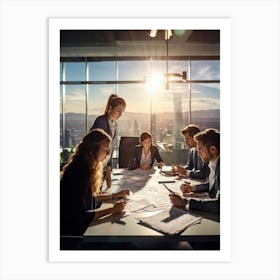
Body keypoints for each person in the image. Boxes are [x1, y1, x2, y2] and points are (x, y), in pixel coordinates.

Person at [60, 128, 130, 236]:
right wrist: (113, 210)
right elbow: (80, 216)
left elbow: (89, 197)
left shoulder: (84, 165)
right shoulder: (80, 172)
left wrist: (114, 195)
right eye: (105, 149)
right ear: (94, 148)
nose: (108, 153)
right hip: (73, 234)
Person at [169, 128, 220, 214]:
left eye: (200, 149)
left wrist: (185, 202)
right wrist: (193, 188)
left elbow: (219, 205)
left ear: (213, 149)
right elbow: (212, 185)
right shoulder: (214, 163)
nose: (198, 153)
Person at [89, 94, 126, 189]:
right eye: (118, 111)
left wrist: (108, 171)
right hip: (94, 165)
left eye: (122, 112)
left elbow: (111, 148)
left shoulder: (114, 123)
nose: (120, 114)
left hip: (103, 165)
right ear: (110, 108)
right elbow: (94, 145)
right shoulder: (101, 121)